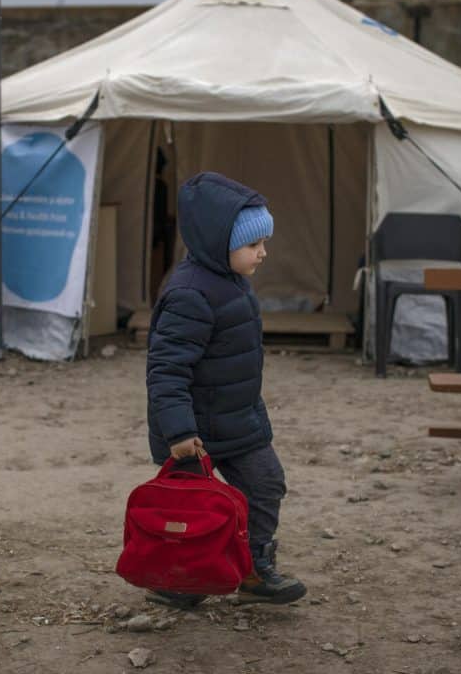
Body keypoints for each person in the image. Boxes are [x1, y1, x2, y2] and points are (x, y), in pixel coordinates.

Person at [146, 171, 306, 607]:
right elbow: (167, 370)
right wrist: (178, 432)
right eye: (253, 245)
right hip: (191, 434)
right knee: (194, 511)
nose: (263, 253)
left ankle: (253, 571)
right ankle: (181, 580)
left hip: (237, 422)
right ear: (219, 243)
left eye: (263, 243)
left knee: (265, 484)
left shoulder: (231, 283)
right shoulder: (189, 295)